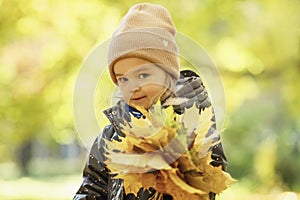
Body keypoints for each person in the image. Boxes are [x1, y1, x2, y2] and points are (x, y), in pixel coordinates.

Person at [74, 3, 229, 200]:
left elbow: (212, 177)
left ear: (168, 74)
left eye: (143, 75)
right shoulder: (112, 136)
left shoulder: (192, 125)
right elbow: (93, 186)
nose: (133, 87)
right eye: (123, 79)